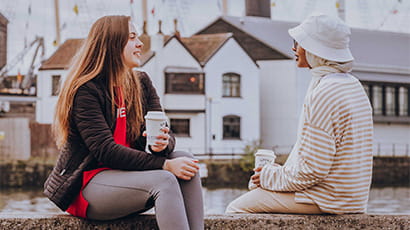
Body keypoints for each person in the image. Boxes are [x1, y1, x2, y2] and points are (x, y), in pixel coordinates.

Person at [43, 15, 204, 230]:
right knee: (165, 180)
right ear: (111, 44)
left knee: (186, 160)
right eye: (132, 38)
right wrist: (164, 164)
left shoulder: (142, 83)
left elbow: (166, 132)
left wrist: (162, 145)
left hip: (129, 178)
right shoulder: (87, 90)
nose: (140, 44)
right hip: (88, 185)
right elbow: (105, 151)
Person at [226, 13, 374, 215]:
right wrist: (275, 173)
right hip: (350, 198)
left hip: (327, 198)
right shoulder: (352, 86)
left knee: (236, 209)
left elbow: (313, 170)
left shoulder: (325, 93)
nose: (293, 48)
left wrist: (268, 177)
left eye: (299, 42)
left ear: (316, 49)